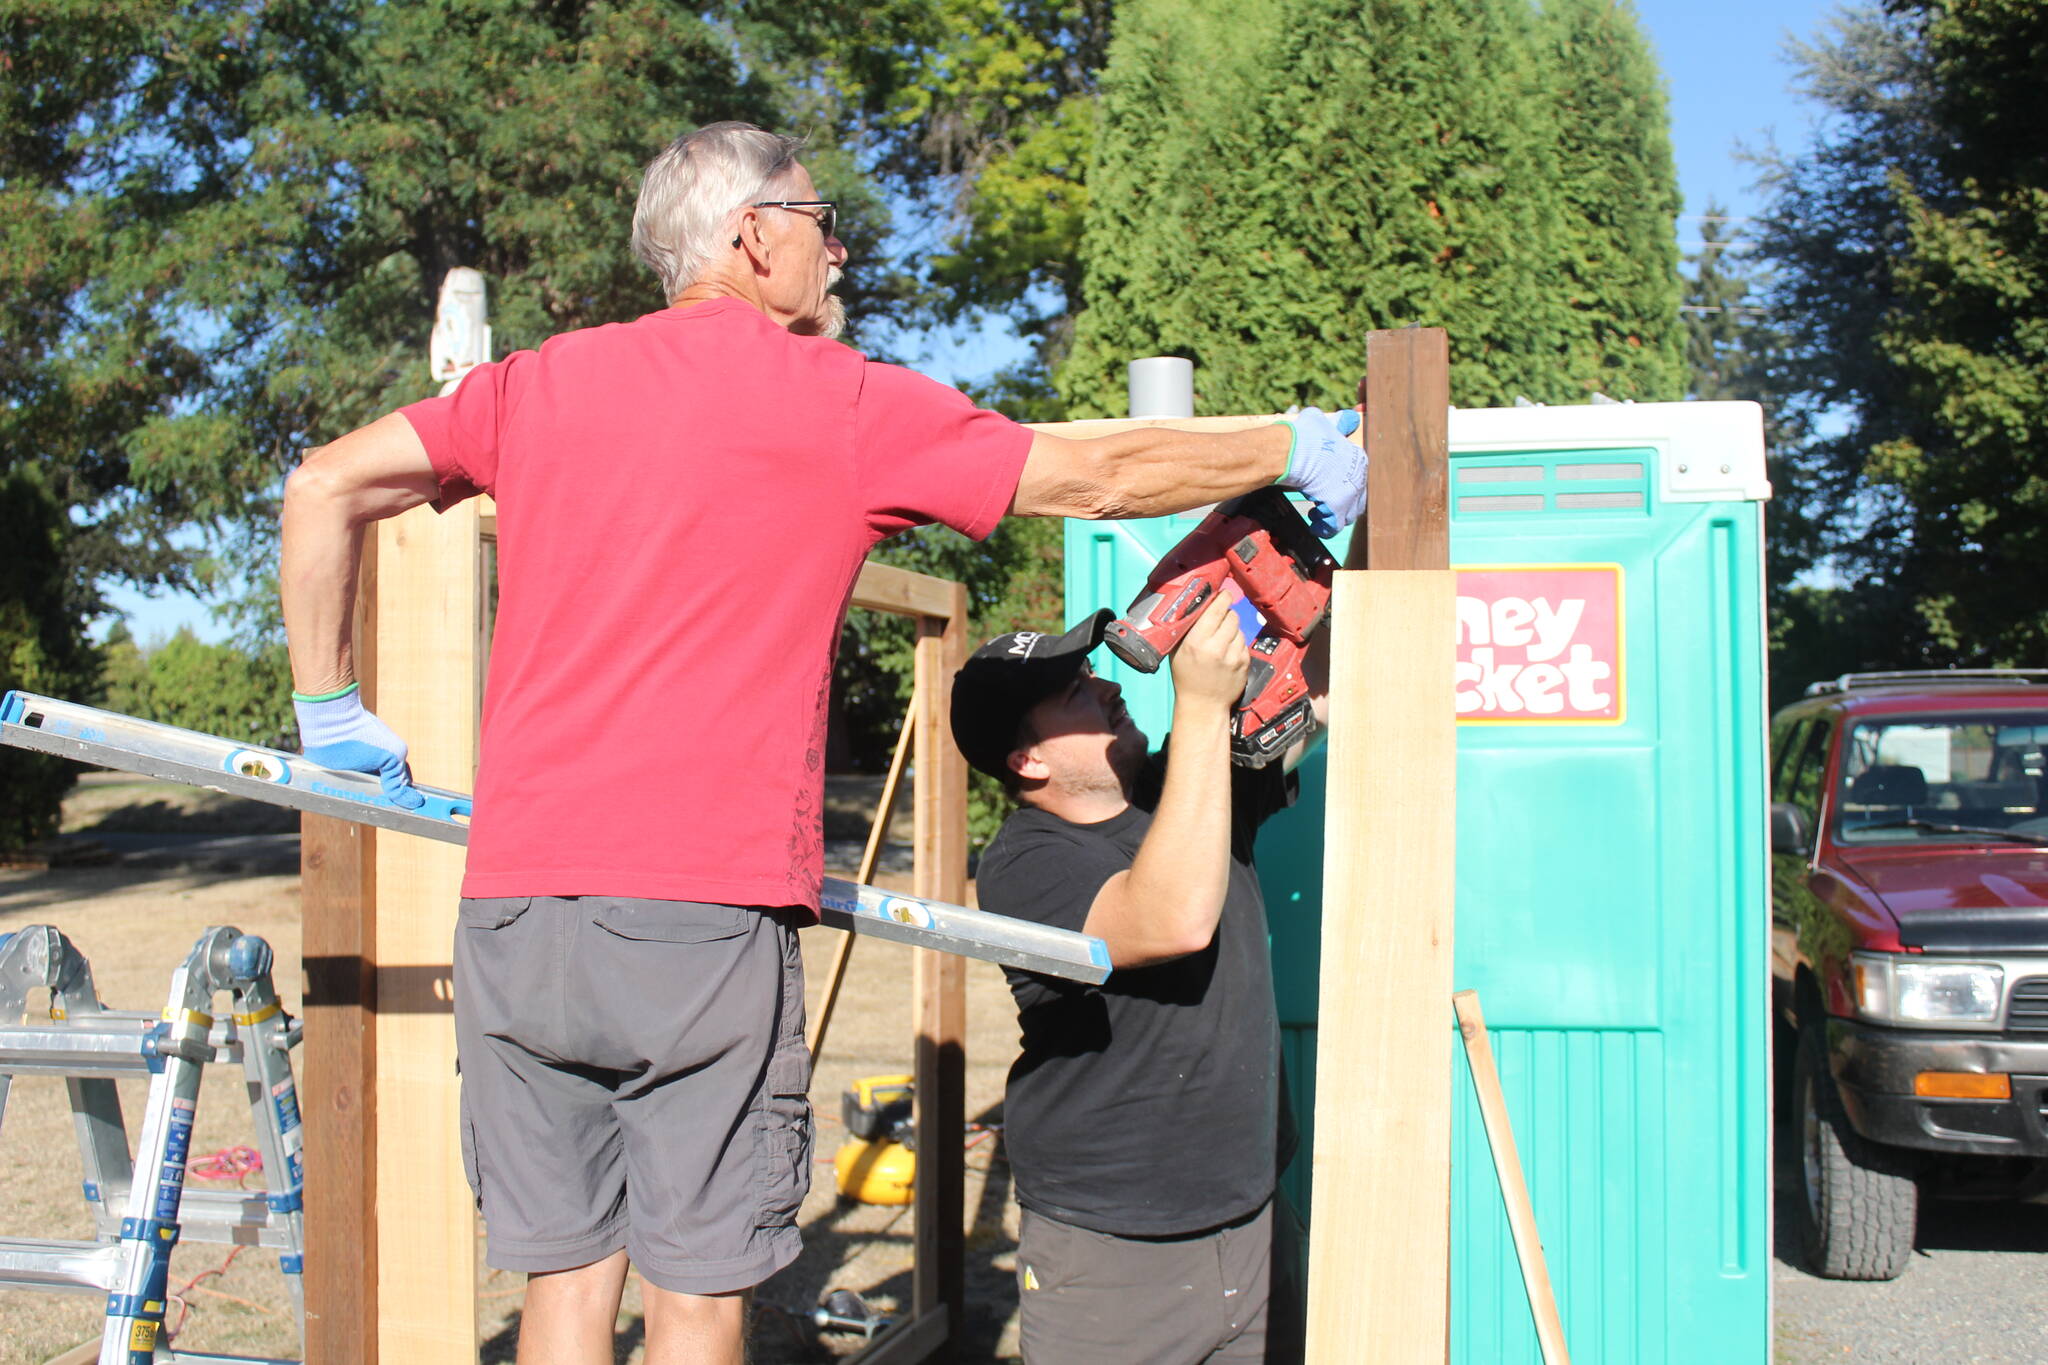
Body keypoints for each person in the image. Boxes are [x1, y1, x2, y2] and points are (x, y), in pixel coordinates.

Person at [278, 120, 1363, 1365]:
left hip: (517, 910)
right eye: (818, 224)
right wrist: (1290, 446)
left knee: (566, 1291)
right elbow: (1095, 471)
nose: (835, 254)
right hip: (694, 913)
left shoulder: (540, 380)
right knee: (694, 1297)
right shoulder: (834, 402)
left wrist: (329, 715)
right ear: (752, 235)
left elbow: (322, 486)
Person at [952, 589, 1332, 1364]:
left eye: (1094, 673)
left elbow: (1327, 682)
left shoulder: (1180, 789)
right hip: (1114, 1260)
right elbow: (1173, 920)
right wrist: (1199, 703)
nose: (1112, 686)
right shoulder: (1022, 867)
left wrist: (1304, 585)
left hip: (1258, 1221)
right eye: (1076, 694)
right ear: (1030, 761)